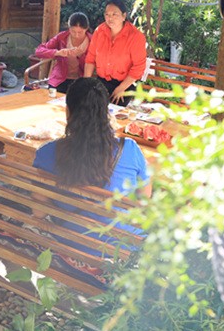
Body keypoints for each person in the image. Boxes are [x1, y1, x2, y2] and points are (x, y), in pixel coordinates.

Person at [32, 78, 151, 257]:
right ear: (107, 113)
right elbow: (144, 202)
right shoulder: (130, 149)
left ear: (68, 112)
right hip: (122, 250)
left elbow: (39, 212)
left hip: (69, 244)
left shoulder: (46, 153)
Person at [83, 0, 147, 105]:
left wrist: (121, 88)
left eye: (114, 14)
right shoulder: (99, 31)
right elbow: (90, 58)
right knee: (92, 109)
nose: (110, 18)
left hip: (124, 85)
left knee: (115, 113)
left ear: (124, 16)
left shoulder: (136, 37)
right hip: (101, 81)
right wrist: (86, 83)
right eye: (107, 14)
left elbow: (138, 67)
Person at [32, 12, 92, 93]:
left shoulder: (92, 41)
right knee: (53, 97)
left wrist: (81, 56)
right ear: (69, 28)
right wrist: (58, 53)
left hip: (80, 80)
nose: (76, 35)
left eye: (80, 32)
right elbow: (39, 51)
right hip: (59, 79)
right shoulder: (62, 37)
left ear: (86, 29)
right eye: (73, 31)